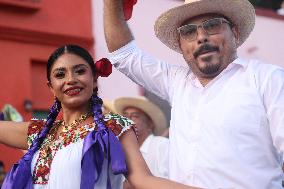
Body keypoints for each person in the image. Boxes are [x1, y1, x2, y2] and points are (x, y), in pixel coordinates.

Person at [103, 0, 284, 188]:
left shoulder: (267, 79)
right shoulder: (177, 82)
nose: (201, 37)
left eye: (212, 25)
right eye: (189, 31)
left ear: (235, 33)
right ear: (181, 46)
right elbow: (124, 55)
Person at [0, 44, 198, 189]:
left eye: (79, 71)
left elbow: (143, 180)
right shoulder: (40, 133)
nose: (71, 80)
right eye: (60, 75)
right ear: (51, 88)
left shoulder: (113, 127)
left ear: (94, 79)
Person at [113, 96, 169, 189]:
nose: (128, 120)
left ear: (150, 124)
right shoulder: (119, 151)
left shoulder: (161, 145)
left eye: (134, 116)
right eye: (125, 116)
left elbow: (170, 181)